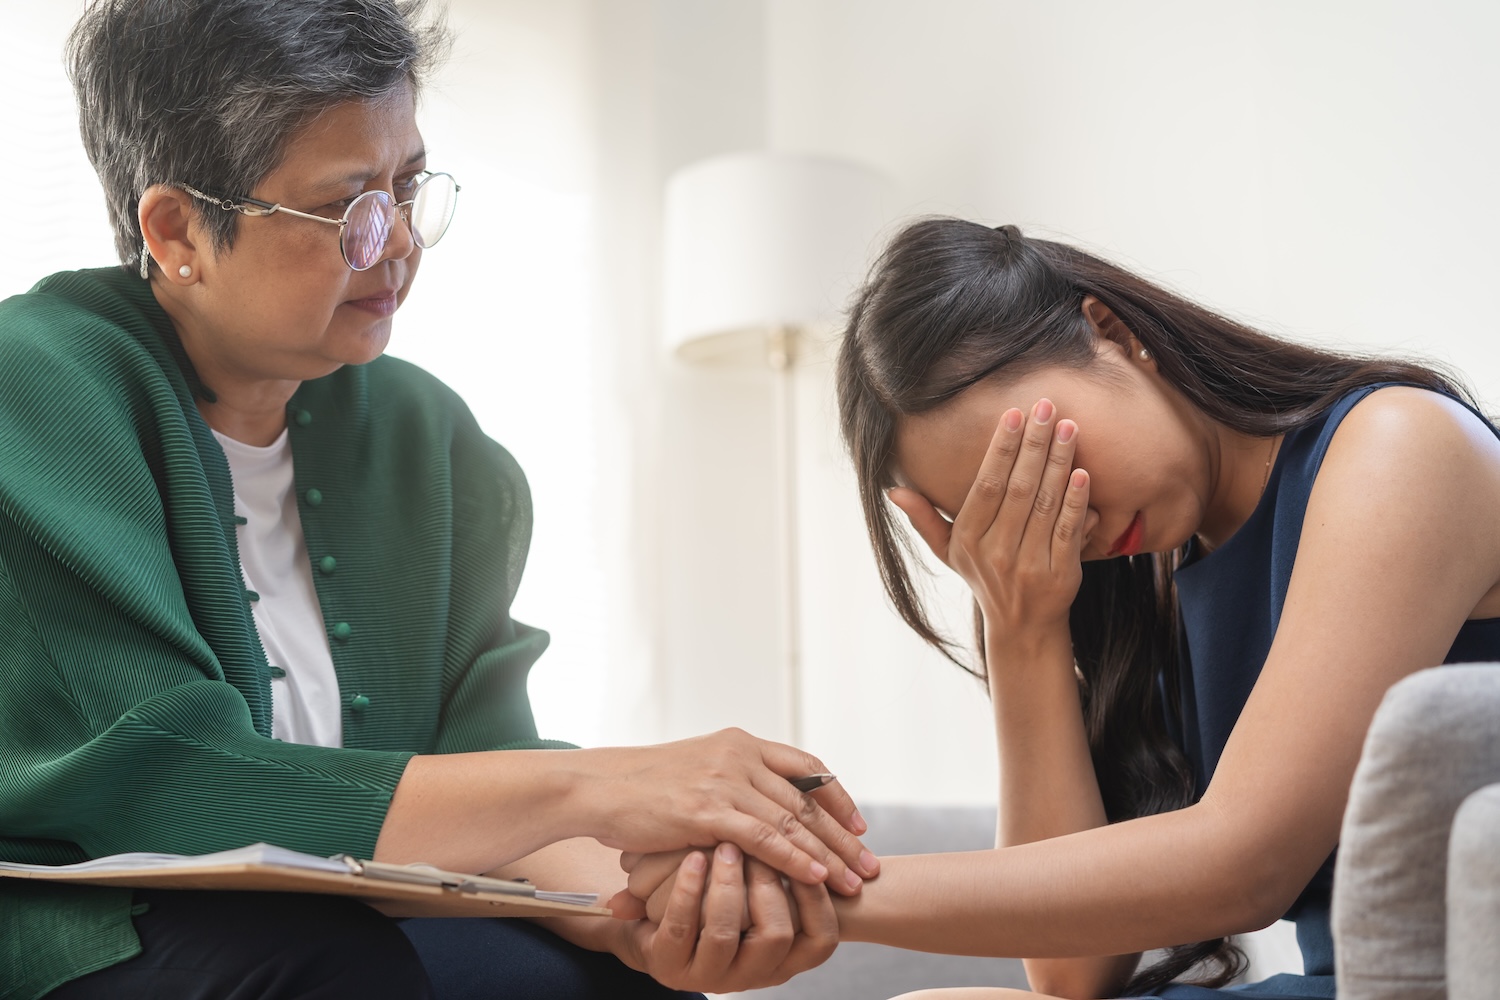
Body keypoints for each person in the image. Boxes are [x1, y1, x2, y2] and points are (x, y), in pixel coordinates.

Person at [0, 2, 881, 998]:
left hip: (341, 928)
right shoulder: (34, 389)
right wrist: (609, 781)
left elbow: (486, 756)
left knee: (610, 984)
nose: (400, 241)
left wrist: (637, 914)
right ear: (178, 231)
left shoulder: (434, 440)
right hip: (87, 925)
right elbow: (167, 774)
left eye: (409, 187)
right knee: (331, 970)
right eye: (350, 207)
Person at [618, 219, 1500, 999]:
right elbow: (1073, 975)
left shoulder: (1398, 446)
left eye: (1036, 464)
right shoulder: (1159, 579)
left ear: (1110, 332)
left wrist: (815, 892)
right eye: (1000, 512)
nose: (1057, 524)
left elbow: (1245, 864)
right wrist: (1022, 627)